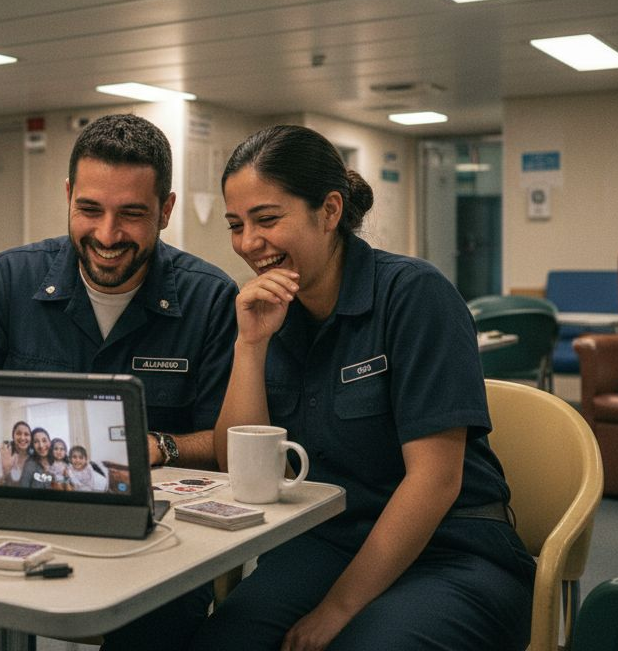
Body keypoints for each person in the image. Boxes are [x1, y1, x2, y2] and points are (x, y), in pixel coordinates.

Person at [0, 113, 239, 651]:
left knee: (161, 620)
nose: (107, 235)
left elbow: (225, 445)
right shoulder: (10, 277)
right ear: (67, 196)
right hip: (7, 510)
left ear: (166, 209)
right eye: (90, 209)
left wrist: (158, 446)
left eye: (132, 214)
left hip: (153, 531)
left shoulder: (210, 299)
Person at [189, 125, 535, 651]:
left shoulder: (414, 295)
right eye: (237, 225)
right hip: (328, 543)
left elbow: (435, 481)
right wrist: (250, 346)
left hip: (453, 550)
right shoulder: (273, 314)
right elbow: (240, 471)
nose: (248, 242)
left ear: (329, 211)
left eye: (267, 219)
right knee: (221, 643)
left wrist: (339, 607)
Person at [0, 420, 31, 485]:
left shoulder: (33, 456)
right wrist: (6, 470)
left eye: (26, 434)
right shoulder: (2, 455)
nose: (22, 438)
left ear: (31, 438)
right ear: (13, 436)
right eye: (18, 433)